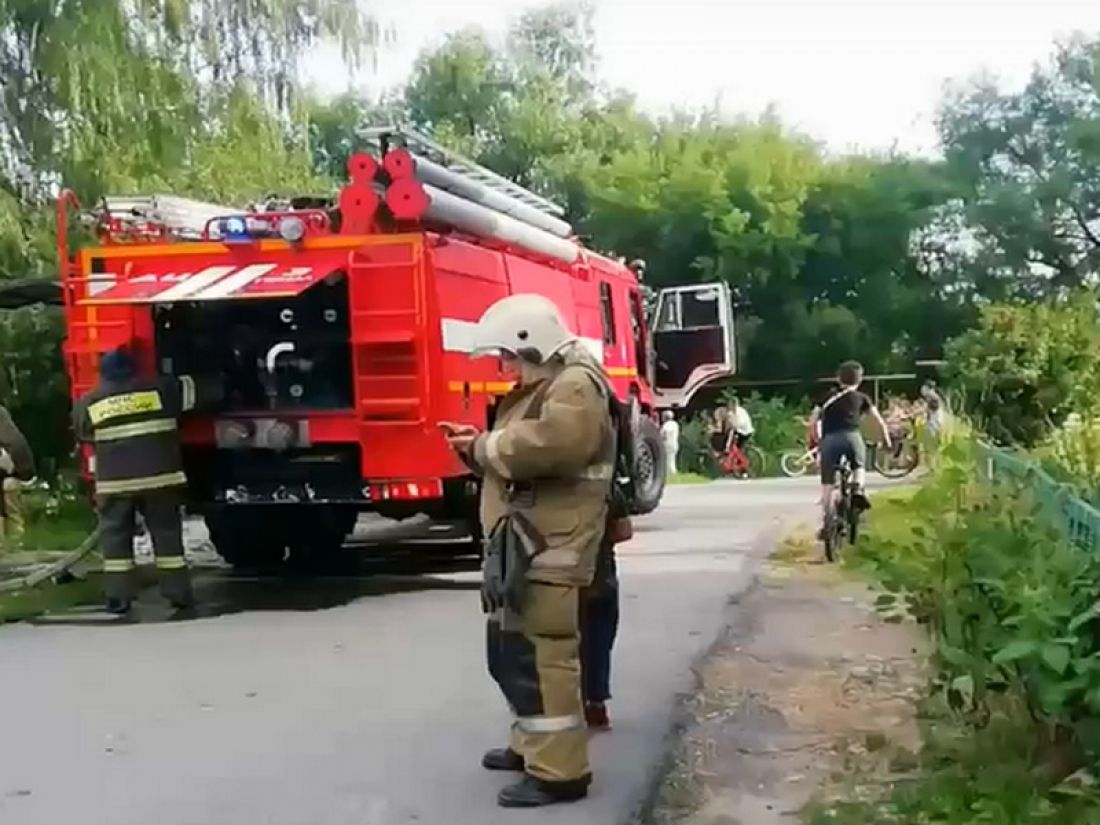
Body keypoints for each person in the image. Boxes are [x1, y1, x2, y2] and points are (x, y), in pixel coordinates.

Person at [441, 294, 615, 808]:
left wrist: (481, 446)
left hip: (552, 546)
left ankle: (560, 772)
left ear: (532, 344)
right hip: (529, 543)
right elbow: (520, 453)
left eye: (510, 357)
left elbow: (553, 444)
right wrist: (479, 448)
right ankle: (531, 744)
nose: (507, 368)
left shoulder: (574, 386)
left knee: (543, 656)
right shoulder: (554, 385)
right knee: (513, 652)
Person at [71, 347, 205, 618]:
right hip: (161, 479)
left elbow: (83, 432)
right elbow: (196, 392)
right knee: (167, 536)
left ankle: (118, 598)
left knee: (116, 540)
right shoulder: (161, 389)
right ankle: (178, 595)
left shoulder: (90, 401)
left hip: (115, 484)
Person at [808, 361, 891, 536]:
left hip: (829, 440)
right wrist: (886, 439)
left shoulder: (826, 397)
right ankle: (857, 490)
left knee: (827, 483)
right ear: (860, 380)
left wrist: (816, 439)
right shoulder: (862, 398)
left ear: (839, 379)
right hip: (851, 437)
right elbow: (878, 421)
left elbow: (813, 421)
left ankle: (827, 521)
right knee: (858, 466)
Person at [0, 403, 35, 551]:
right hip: (12, 475)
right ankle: (15, 546)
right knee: (10, 492)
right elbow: (17, 445)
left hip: (9, 473)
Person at [660, 410, 680, 476]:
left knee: (668, 461)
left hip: (668, 444)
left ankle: (671, 474)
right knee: (672, 459)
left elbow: (665, 433)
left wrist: (661, 438)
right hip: (674, 443)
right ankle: (672, 473)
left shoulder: (667, 424)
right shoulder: (675, 424)